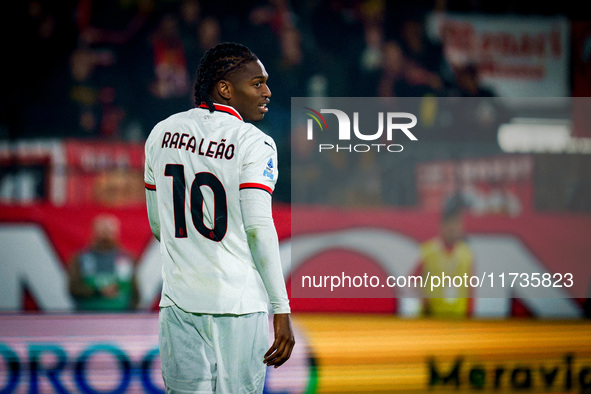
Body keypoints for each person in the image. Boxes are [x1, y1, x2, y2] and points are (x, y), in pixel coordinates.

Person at [144, 42, 294, 393]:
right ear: (224, 88)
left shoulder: (160, 133)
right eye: (257, 83)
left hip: (179, 304)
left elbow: (158, 226)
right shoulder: (254, 143)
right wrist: (280, 308)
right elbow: (258, 228)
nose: (267, 91)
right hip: (239, 306)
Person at [68, 213, 139, 311]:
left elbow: (135, 293)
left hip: (121, 317)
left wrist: (131, 314)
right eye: (102, 231)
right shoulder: (80, 258)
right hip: (88, 317)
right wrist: (97, 292)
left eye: (109, 231)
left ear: (116, 232)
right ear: (94, 232)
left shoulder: (128, 259)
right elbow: (73, 288)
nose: (106, 235)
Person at [419, 193, 474, 318]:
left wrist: (470, 313)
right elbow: (411, 282)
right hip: (432, 319)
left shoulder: (467, 253)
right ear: (441, 226)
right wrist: (423, 299)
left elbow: (471, 287)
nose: (452, 228)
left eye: (456, 224)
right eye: (449, 224)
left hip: (459, 317)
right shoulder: (428, 251)